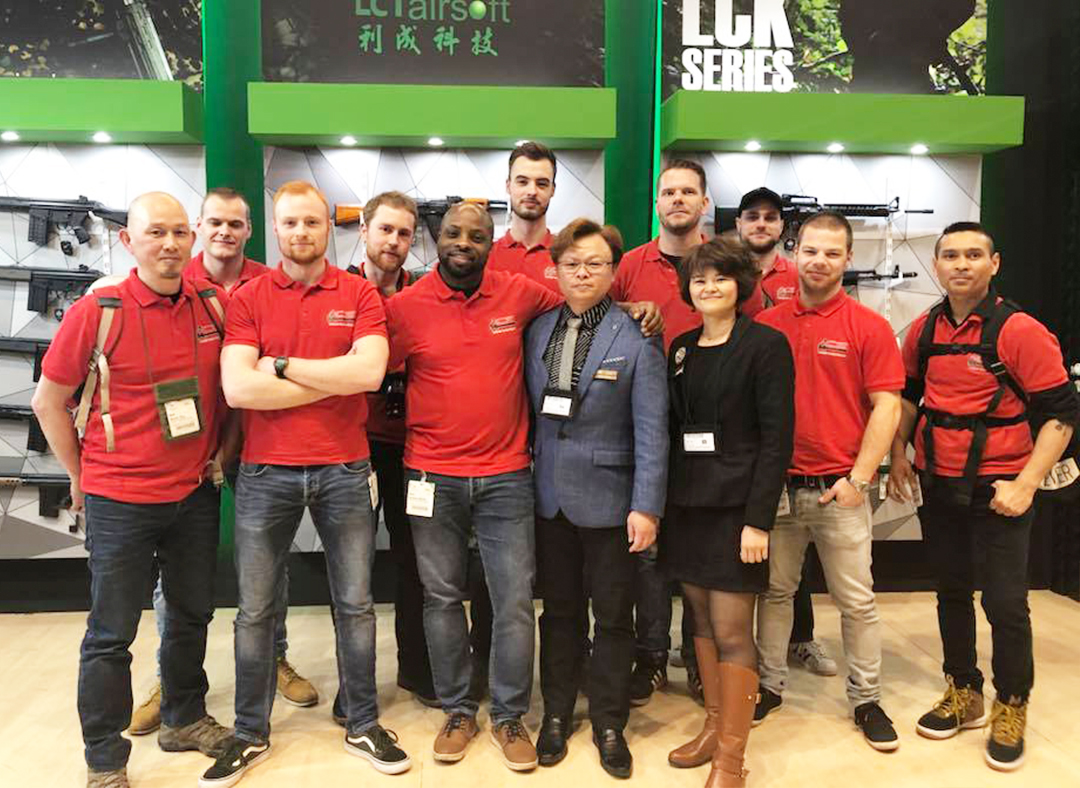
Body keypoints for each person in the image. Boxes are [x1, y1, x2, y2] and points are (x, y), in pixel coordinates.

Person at [202, 181, 409, 786]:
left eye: (312, 222)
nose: (300, 232)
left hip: (345, 470)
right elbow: (239, 389)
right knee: (255, 610)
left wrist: (282, 366)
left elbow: (368, 374)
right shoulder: (249, 298)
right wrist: (330, 380)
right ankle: (249, 732)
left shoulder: (360, 293)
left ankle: (363, 723)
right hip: (265, 472)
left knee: (357, 605)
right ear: (275, 228)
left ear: (329, 228)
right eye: (290, 222)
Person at [32, 192, 233, 788]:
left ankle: (183, 719)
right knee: (111, 633)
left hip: (195, 495)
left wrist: (222, 454)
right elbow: (48, 401)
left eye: (179, 232)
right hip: (119, 500)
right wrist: (80, 475)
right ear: (128, 240)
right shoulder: (98, 311)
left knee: (191, 614)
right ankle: (105, 760)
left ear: (192, 237)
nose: (169, 244)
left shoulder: (213, 305)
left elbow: (232, 392)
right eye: (155, 232)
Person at [888, 222, 1078, 771]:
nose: (961, 264)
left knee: (1004, 602)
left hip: (1001, 487)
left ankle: (1011, 704)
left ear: (994, 264)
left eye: (974, 255)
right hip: (938, 482)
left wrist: (1026, 484)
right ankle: (963, 690)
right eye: (950, 255)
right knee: (950, 590)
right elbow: (907, 396)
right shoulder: (923, 330)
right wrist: (898, 453)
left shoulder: (1020, 330)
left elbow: (1062, 414)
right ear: (937, 265)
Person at [131, 188, 319, 736]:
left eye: (236, 224)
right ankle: (170, 678)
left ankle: (274, 657)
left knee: (269, 563)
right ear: (199, 227)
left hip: (259, 441)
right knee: (173, 571)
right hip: (192, 451)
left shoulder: (269, 284)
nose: (225, 232)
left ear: (251, 230)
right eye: (215, 222)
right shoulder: (175, 280)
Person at [384, 202, 562, 772]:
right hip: (429, 475)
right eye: (455, 233)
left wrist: (635, 309)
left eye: (478, 236)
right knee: (440, 598)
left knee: (513, 601)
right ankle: (458, 710)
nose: (464, 242)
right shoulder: (405, 307)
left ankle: (509, 716)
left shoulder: (519, 293)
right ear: (438, 238)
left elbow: (581, 306)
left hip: (506, 475)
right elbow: (368, 365)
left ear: (492, 243)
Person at [754, 212, 903, 752]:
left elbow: (887, 406)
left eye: (832, 253)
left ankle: (867, 699)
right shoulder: (767, 325)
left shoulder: (869, 327)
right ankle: (768, 687)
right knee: (774, 594)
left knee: (857, 602)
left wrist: (859, 479)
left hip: (840, 490)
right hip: (778, 489)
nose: (819, 261)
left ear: (848, 259)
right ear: (794, 253)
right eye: (810, 250)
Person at [526, 219, 669, 778]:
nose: (582, 274)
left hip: (614, 503)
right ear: (555, 270)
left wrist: (647, 506)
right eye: (572, 264)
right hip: (549, 500)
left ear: (613, 271)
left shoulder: (637, 333)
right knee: (559, 614)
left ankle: (610, 722)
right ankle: (557, 713)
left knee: (613, 617)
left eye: (594, 264)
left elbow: (652, 428)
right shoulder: (537, 329)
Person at [662, 234, 794, 787]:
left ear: (741, 285)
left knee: (733, 628)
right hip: (689, 505)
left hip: (739, 511)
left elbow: (777, 440)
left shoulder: (766, 345)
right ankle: (714, 727)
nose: (709, 287)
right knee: (699, 620)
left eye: (720, 278)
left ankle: (732, 759)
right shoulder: (681, 348)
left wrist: (758, 521)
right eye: (699, 279)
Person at [336, 190, 438, 715]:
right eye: (385, 230)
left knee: (415, 565)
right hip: (353, 447)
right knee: (352, 573)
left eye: (403, 233)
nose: (394, 241)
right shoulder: (339, 292)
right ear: (364, 231)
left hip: (413, 450)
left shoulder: (424, 294)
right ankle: (353, 686)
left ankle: (417, 669)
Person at [736, 187, 837, 678]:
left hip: (789, 427)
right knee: (752, 549)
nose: (761, 224)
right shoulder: (725, 269)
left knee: (792, 553)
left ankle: (801, 639)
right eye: (752, 216)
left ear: (782, 229)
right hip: (738, 420)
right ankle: (737, 644)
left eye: (770, 217)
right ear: (738, 223)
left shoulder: (799, 276)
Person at [486, 141, 560, 292]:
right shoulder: (486, 257)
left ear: (552, 190)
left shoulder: (569, 256)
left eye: (541, 184)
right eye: (522, 182)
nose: (532, 191)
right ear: (508, 186)